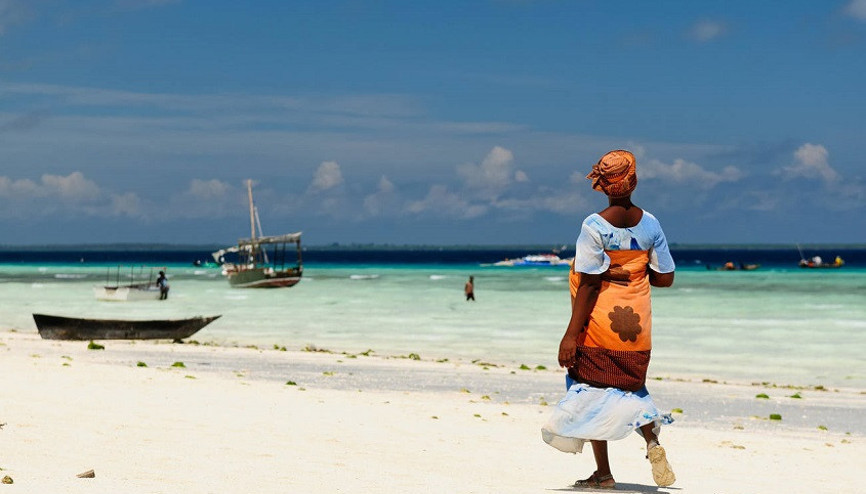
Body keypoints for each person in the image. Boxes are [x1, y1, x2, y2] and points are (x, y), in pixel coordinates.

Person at [541, 150, 677, 489]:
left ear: (603, 186)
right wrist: (634, 268)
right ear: (634, 182)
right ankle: (651, 441)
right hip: (637, 328)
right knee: (630, 387)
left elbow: (588, 285)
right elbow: (665, 278)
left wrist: (570, 336)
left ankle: (603, 474)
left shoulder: (594, 226)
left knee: (591, 392)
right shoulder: (651, 224)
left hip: (600, 324)